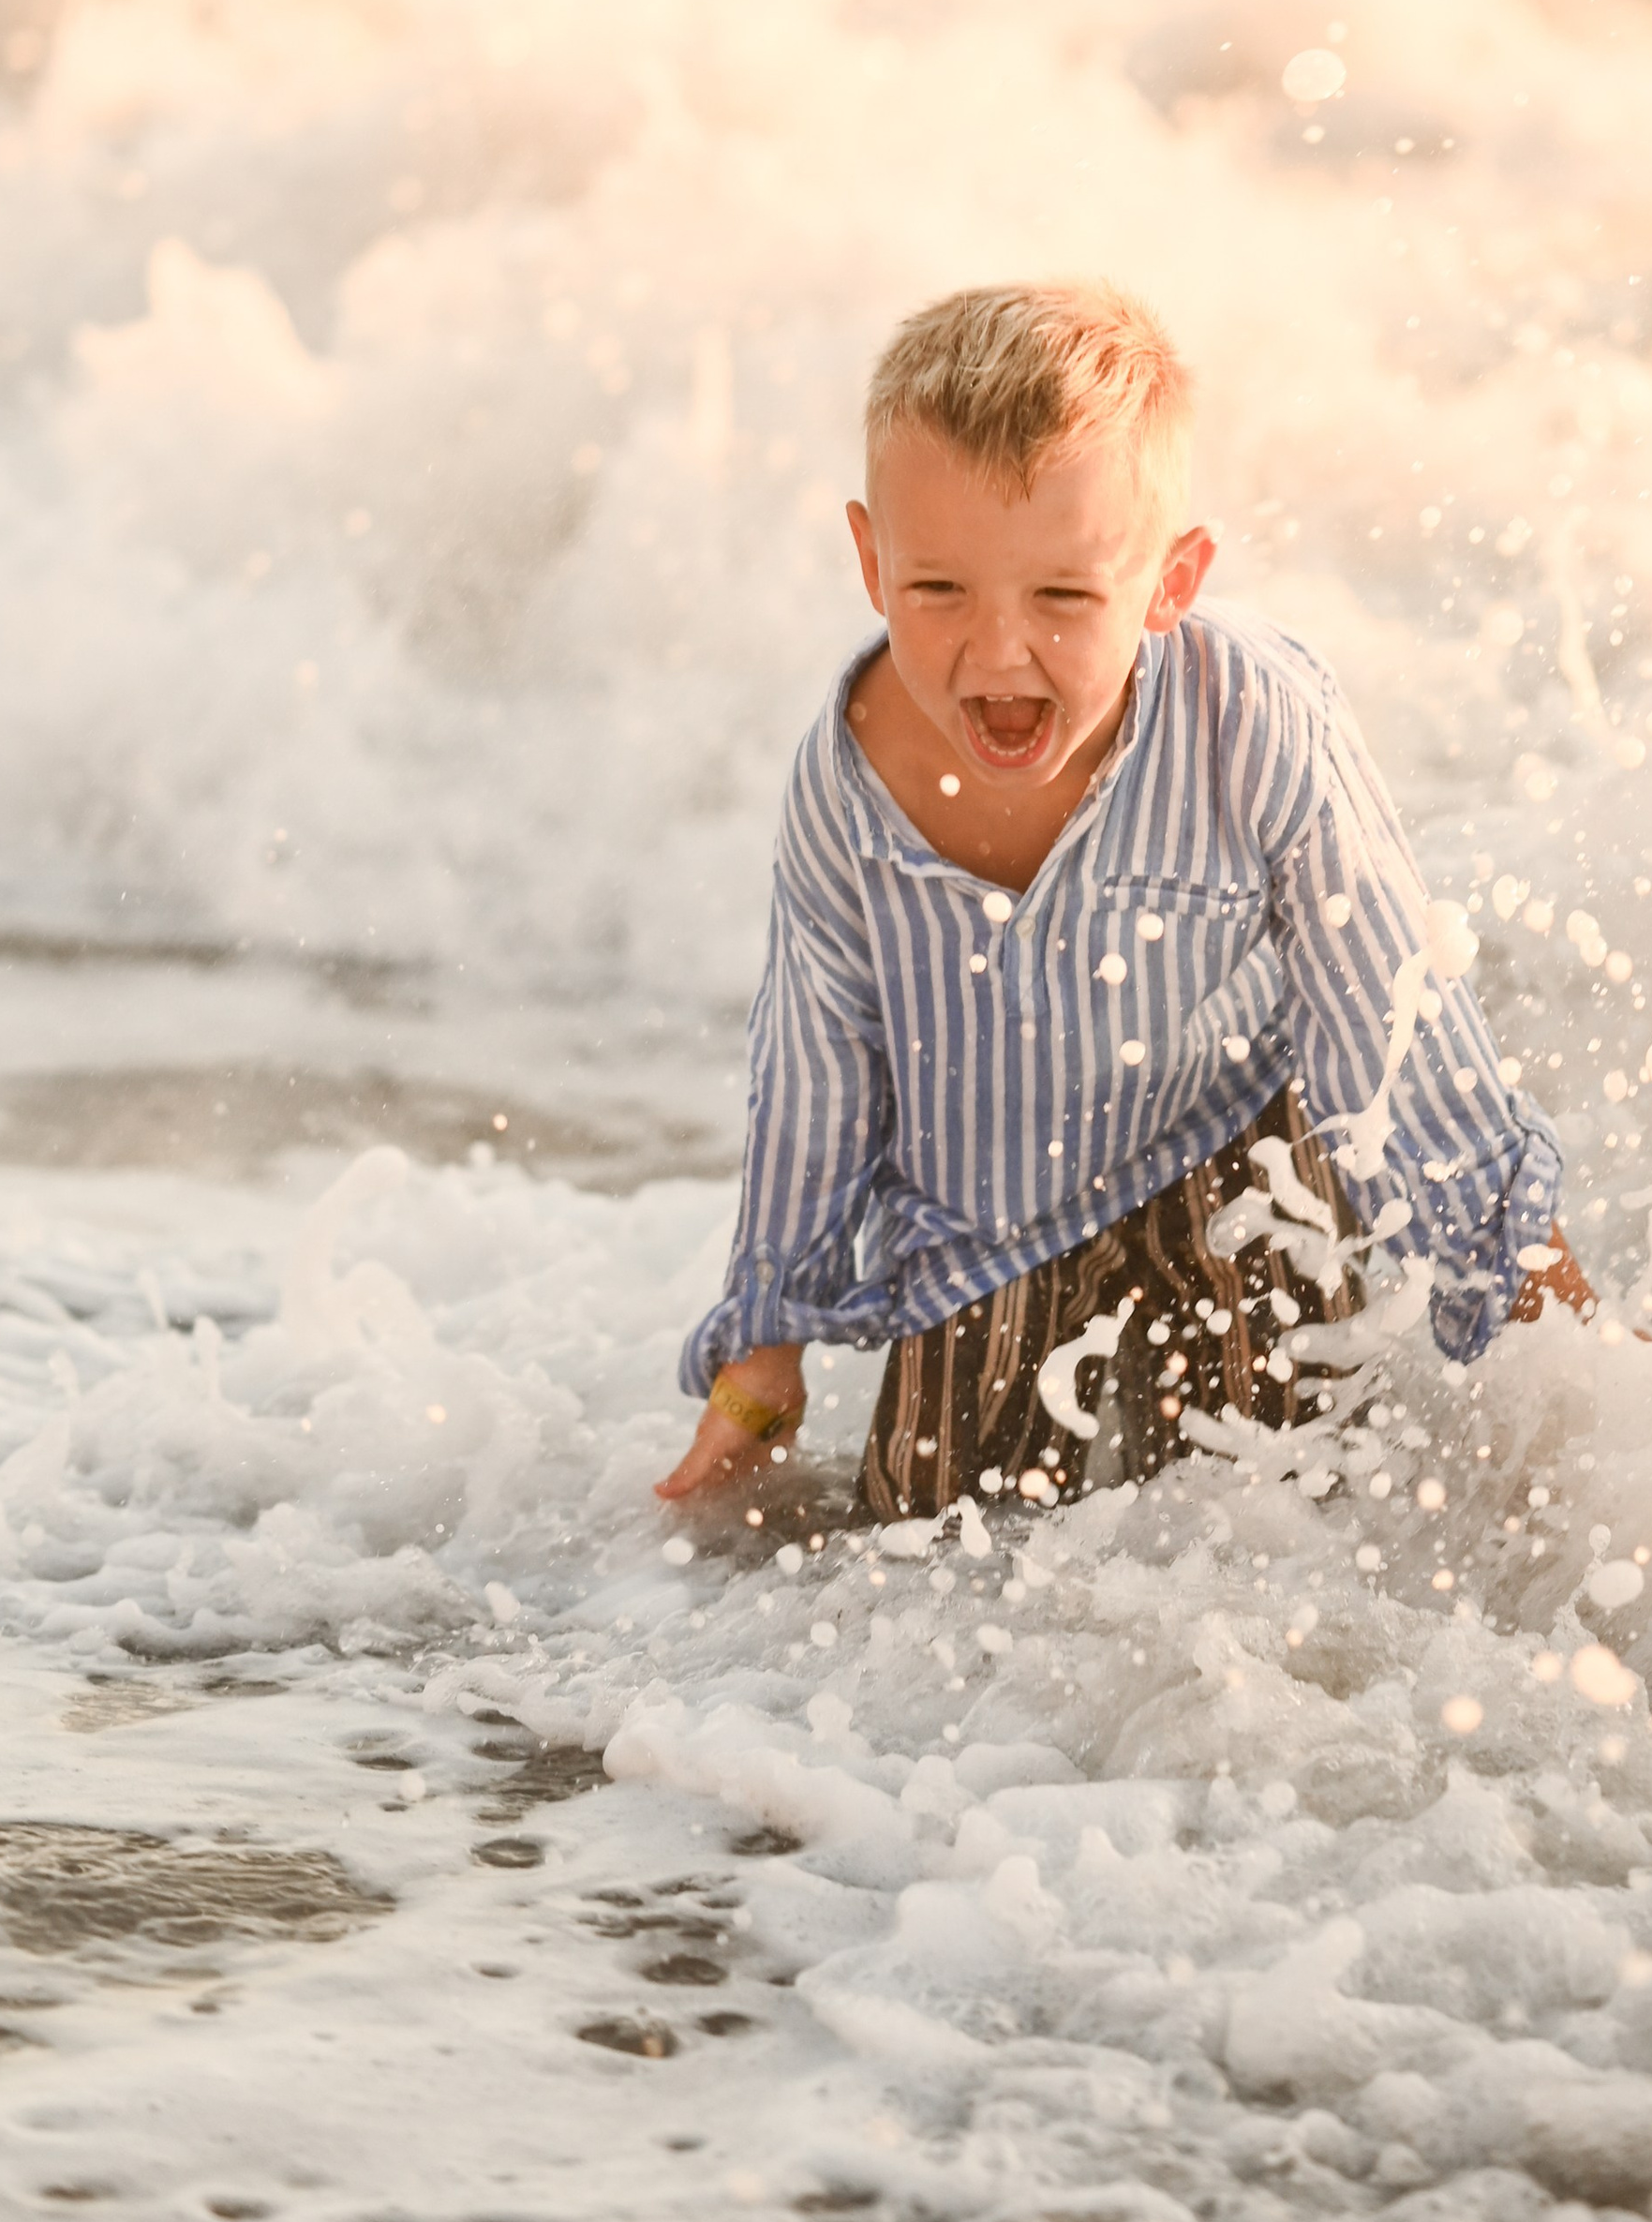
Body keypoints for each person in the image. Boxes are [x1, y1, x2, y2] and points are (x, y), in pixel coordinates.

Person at [654, 280, 1592, 1523]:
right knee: (916, 1569)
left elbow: (1392, 1017)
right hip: (984, 1226)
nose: (996, 652)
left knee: (1299, 1538)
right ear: (872, 561)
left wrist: (1550, 1317)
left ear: (1170, 581)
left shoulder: (1249, 720)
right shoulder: (847, 785)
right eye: (939, 590)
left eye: (1062, 598)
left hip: (1235, 1162)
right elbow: (817, 1072)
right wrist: (764, 1350)